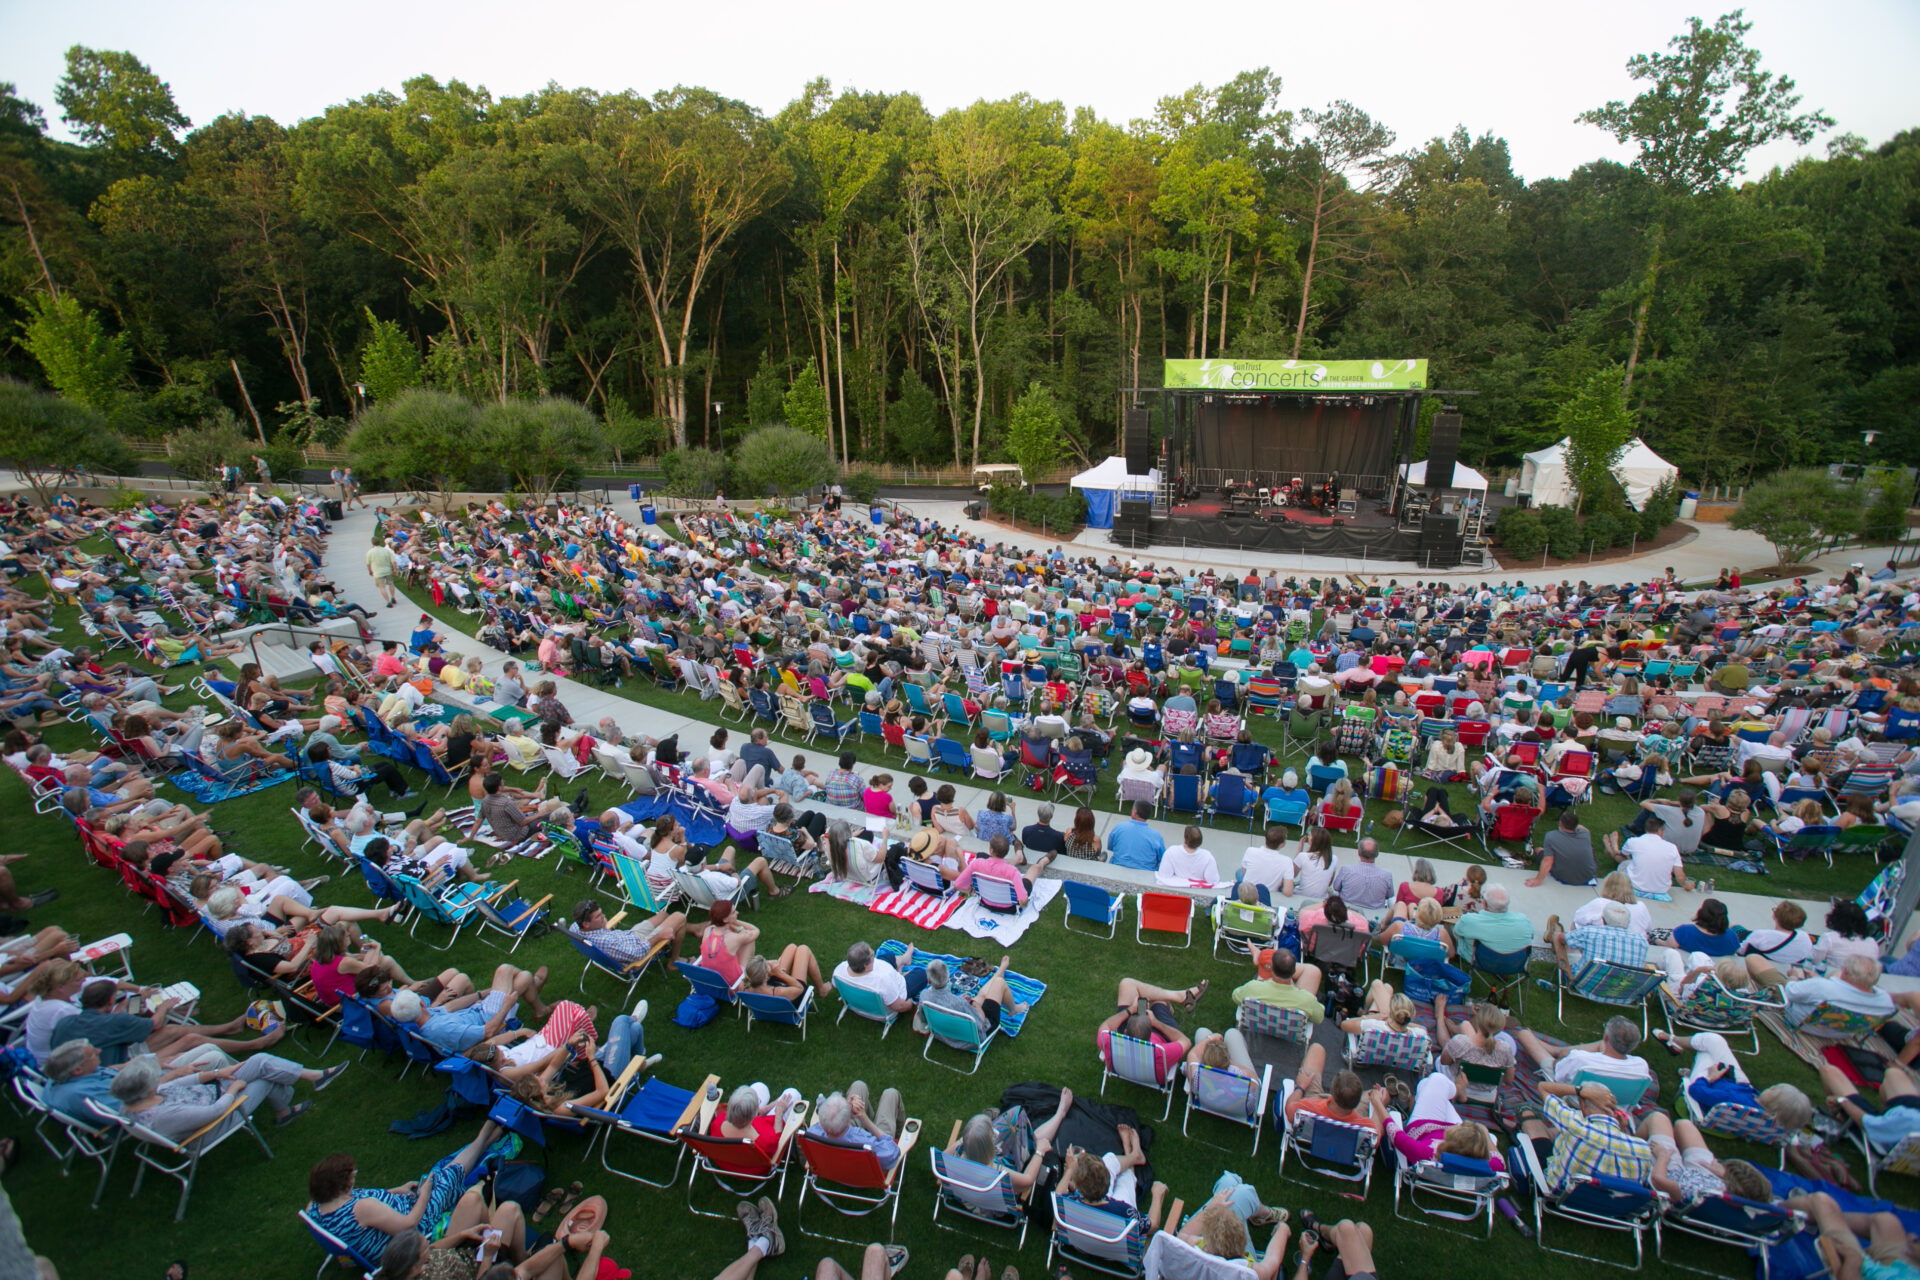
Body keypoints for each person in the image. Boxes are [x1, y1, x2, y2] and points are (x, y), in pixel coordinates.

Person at [305, 1121, 511, 1269]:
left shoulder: (315, 1205)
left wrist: (397, 1190)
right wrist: (424, 1195)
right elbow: (409, 1225)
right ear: (342, 1185)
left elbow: (370, 1201)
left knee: (438, 1175)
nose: (355, 1178)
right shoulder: (360, 1209)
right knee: (447, 1175)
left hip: (400, 1210)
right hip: (416, 1228)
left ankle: (486, 1140)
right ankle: (486, 1132)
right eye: (353, 1176)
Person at [109, 1049, 344, 1138]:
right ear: (147, 1089)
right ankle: (286, 1106)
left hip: (215, 1090)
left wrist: (220, 1073)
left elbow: (181, 1082)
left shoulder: (136, 1100)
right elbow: (214, 1113)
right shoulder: (163, 1115)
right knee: (264, 1080)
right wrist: (231, 1090)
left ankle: (314, 1079)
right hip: (217, 1122)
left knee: (260, 1061)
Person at [1518, 1077, 1654, 1193]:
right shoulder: (1643, 1148)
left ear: (1582, 1104)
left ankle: (1527, 1114)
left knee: (1532, 1123)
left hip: (1563, 1192)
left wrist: (1581, 1091)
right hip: (1611, 1205)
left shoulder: (1576, 1125)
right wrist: (1622, 1130)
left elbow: (1543, 1087)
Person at [392, 963, 550, 1055]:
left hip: (479, 1010)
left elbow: (450, 1006)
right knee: (505, 970)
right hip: (489, 1019)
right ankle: (534, 988)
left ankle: (537, 1000)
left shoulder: (425, 1018)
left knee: (523, 979)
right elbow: (488, 1032)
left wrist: (481, 994)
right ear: (421, 1003)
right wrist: (506, 1006)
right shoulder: (444, 1029)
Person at [1095, 975, 1207, 1084]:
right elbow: (1185, 1041)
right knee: (1160, 1003)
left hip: (1119, 1068)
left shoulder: (1110, 1042)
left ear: (1125, 1031)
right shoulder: (1161, 1052)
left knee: (1127, 984)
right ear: (1150, 1033)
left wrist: (1130, 1010)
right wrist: (1156, 1023)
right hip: (1154, 1071)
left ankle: (1180, 997)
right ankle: (1180, 998)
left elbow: (1106, 1025)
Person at [1512, 1014, 1654, 1089]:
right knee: (1569, 1054)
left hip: (1574, 1097)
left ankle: (1556, 1051)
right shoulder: (1641, 1066)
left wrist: (1562, 1058)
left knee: (1524, 1034)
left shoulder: (1582, 1060)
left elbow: (1559, 1071)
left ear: (1606, 1037)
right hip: (1613, 1101)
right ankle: (1557, 1050)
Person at [807, 1083, 907, 1170]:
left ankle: (864, 1115)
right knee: (891, 1094)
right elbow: (893, 1153)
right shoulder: (866, 1145)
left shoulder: (812, 1135)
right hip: (866, 1167)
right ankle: (900, 1134)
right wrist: (865, 1119)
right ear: (847, 1122)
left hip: (837, 1165)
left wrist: (847, 1108)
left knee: (859, 1085)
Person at [1782, 954, 1896, 1027]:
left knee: (1764, 964)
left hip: (1803, 1023)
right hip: (1845, 1032)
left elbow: (1788, 992)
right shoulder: (1886, 1001)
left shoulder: (1822, 987)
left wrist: (1793, 976)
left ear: (1845, 972)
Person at [921, 956, 1025, 1036]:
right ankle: (1014, 1008)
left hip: (947, 1031)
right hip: (973, 1036)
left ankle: (999, 972)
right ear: (948, 978)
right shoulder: (959, 1003)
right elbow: (982, 1024)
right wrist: (975, 1005)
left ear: (929, 981)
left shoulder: (924, 996)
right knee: (999, 983)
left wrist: (965, 1002)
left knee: (981, 995)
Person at [1605, 815, 1693, 896]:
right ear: (1660, 831)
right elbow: (1679, 876)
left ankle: (1610, 849)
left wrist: (1617, 851)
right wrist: (1686, 884)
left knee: (1625, 861)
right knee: (1632, 859)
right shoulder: (1672, 848)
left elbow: (1623, 854)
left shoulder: (1633, 841)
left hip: (1635, 885)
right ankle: (1613, 847)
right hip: (1661, 890)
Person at [1229, 947, 1323, 1024]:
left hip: (1260, 1027)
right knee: (1313, 971)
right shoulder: (1306, 1000)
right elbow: (1319, 1018)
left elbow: (1235, 996)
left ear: (1272, 968)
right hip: (1289, 1035)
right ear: (1294, 971)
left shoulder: (1253, 988)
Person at [1450, 883, 1533, 964]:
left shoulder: (1469, 920)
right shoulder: (1524, 921)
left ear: (1484, 904)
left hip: (1480, 961)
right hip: (1515, 963)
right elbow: (1531, 936)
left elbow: (1456, 932)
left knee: (1450, 927)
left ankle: (1451, 957)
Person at [833, 941, 924, 1012]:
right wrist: (909, 1004)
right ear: (865, 965)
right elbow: (900, 1007)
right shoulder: (883, 979)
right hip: (887, 1002)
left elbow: (834, 985)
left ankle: (906, 958)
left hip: (858, 1002)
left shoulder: (839, 971)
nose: (873, 954)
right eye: (872, 955)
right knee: (921, 974)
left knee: (889, 957)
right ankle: (900, 974)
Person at [1527, 808, 1598, 888]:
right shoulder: (1585, 834)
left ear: (1560, 823)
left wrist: (1538, 879)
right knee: (1590, 848)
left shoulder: (1551, 836)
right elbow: (1583, 829)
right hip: (1588, 875)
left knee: (1539, 851)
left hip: (1566, 877)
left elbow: (1548, 861)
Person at [1327, 837, 1392, 911]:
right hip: (1374, 915)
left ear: (1358, 853)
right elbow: (1389, 895)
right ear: (1377, 854)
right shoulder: (1387, 875)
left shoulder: (1346, 870)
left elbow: (1336, 888)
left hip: (1346, 912)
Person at [1106, 801, 1165, 870]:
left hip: (1116, 868)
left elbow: (1110, 847)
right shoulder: (1157, 837)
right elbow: (1163, 858)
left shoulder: (1119, 828)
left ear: (1134, 812)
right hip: (1146, 875)